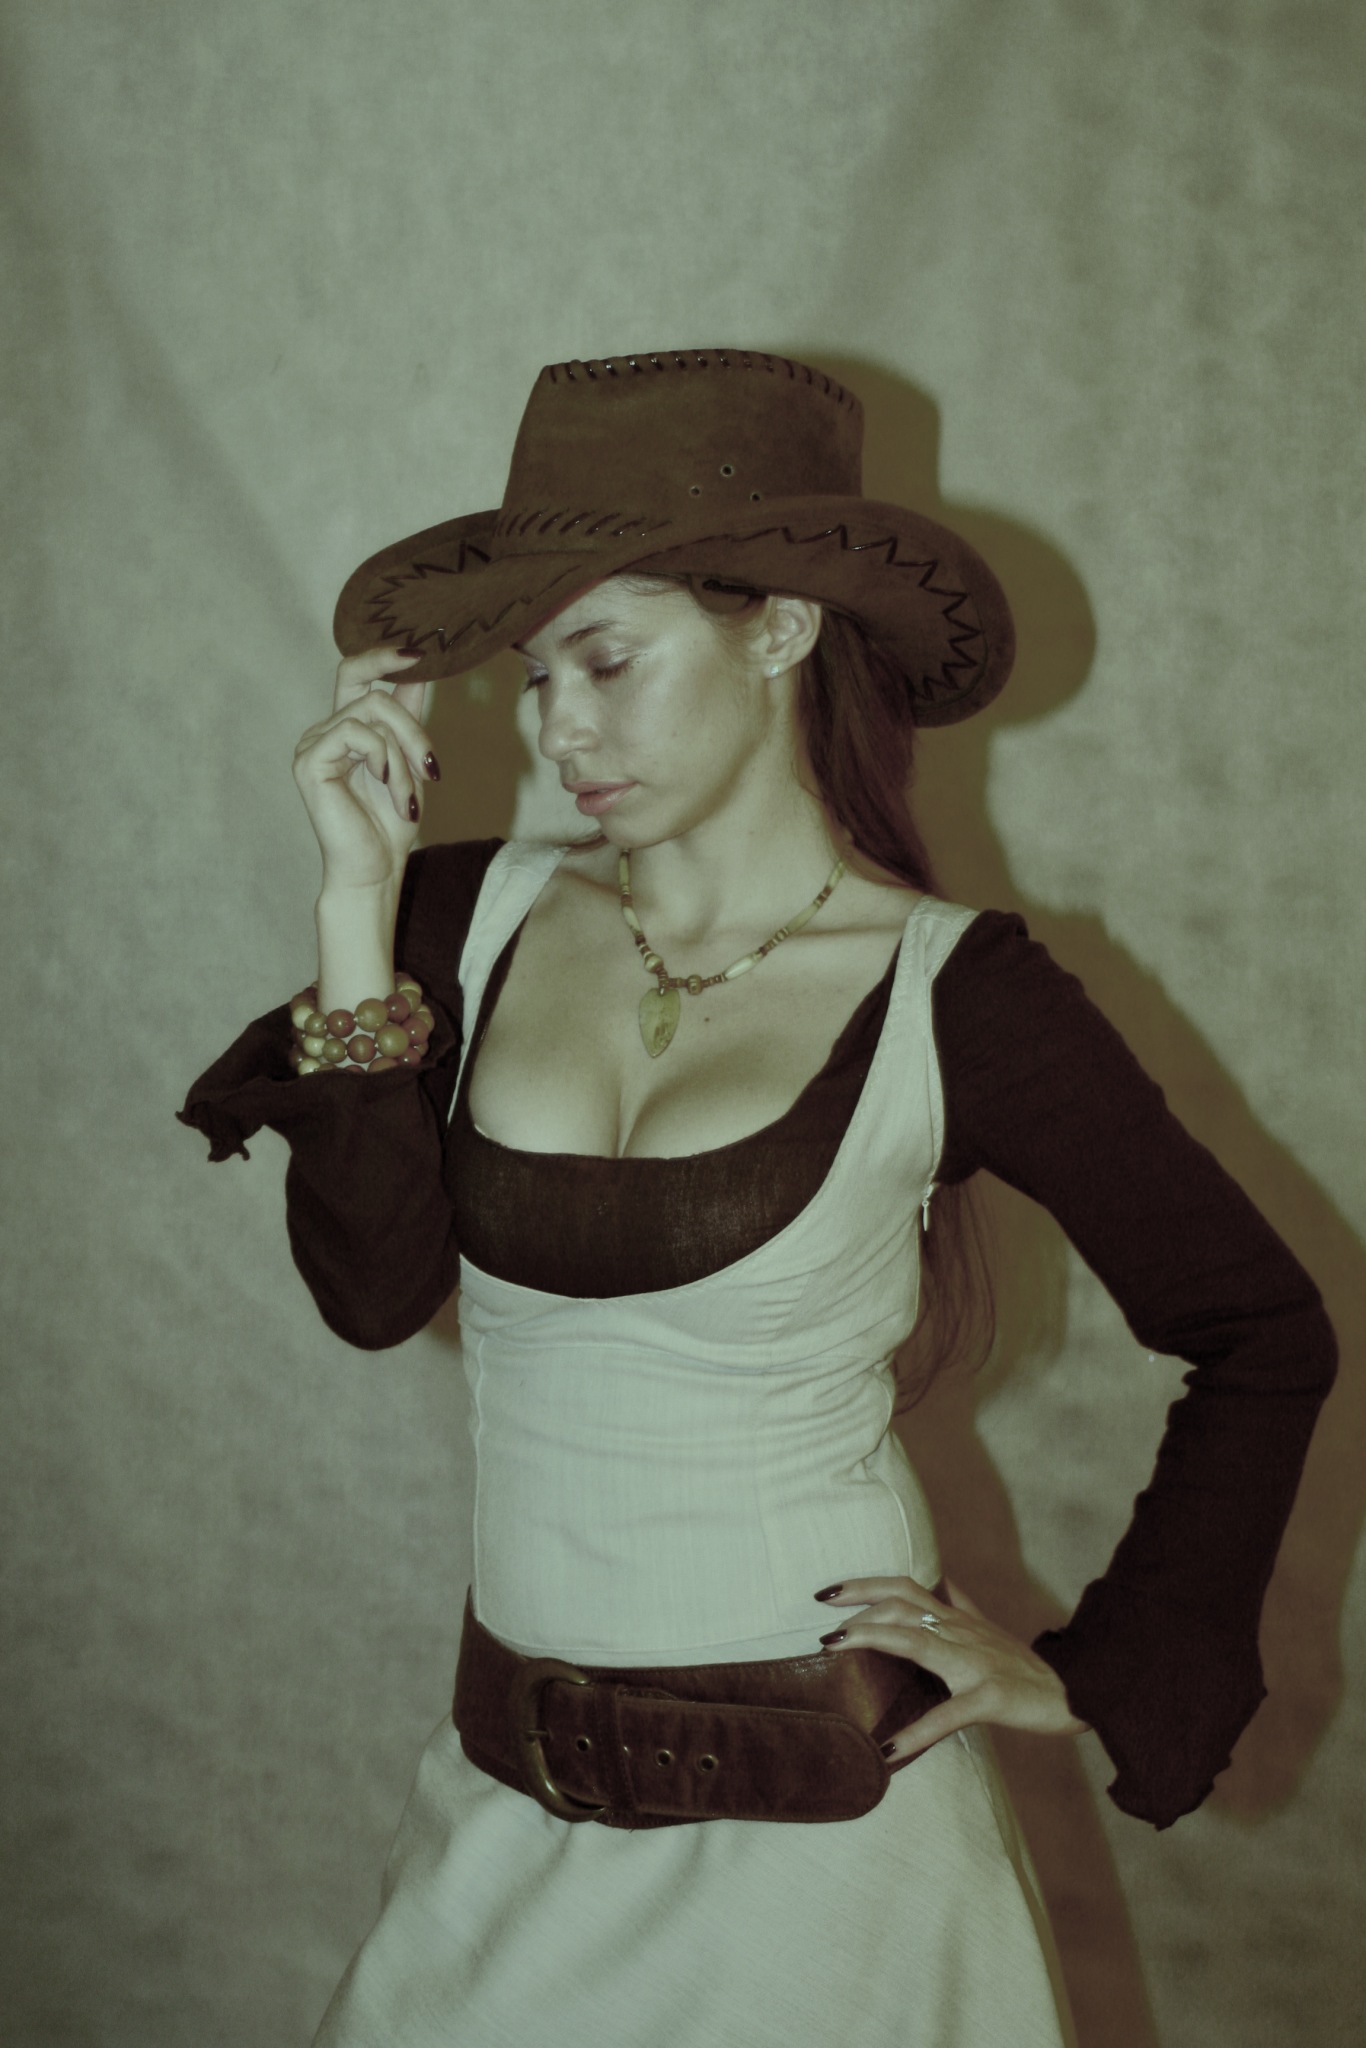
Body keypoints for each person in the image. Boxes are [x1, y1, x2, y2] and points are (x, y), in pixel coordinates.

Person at [180, 349, 1336, 2048]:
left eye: (606, 659)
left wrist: (1086, 1671)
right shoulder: (457, 926)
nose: (557, 730)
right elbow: (369, 1295)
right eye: (532, 677)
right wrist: (355, 908)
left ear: (781, 628)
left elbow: (1259, 1332)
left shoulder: (959, 996)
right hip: (507, 1809)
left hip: (831, 1846)